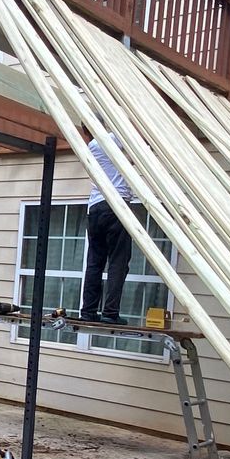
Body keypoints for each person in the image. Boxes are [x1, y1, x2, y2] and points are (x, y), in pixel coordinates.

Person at [80, 133, 139, 326]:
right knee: (118, 261)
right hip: (116, 205)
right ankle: (110, 313)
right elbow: (138, 138)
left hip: (95, 208)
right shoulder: (112, 138)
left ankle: (88, 311)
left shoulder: (90, 148)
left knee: (95, 262)